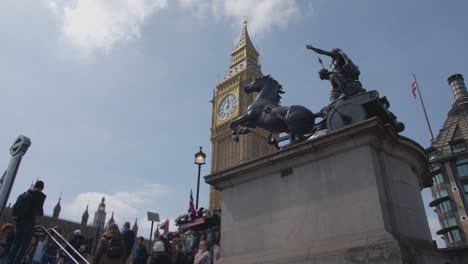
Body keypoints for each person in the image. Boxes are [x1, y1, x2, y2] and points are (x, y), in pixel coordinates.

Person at [9, 180, 46, 264]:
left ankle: (10, 261)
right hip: (29, 221)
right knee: (24, 245)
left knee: (16, 243)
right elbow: (40, 212)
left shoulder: (24, 194)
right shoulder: (38, 196)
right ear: (41, 188)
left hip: (19, 220)